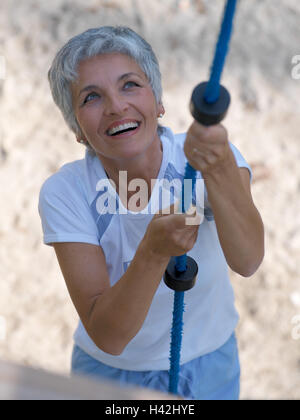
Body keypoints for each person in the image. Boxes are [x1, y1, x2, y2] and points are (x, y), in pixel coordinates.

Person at [38, 26, 264, 400]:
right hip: (110, 375)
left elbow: (249, 259)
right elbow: (109, 336)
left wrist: (220, 167)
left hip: (208, 363)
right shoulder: (66, 192)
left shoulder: (203, 158)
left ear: (158, 102)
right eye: (91, 97)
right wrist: (153, 252)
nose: (115, 106)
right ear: (77, 129)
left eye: (130, 85)